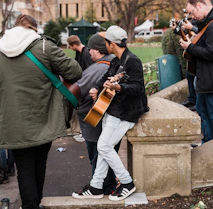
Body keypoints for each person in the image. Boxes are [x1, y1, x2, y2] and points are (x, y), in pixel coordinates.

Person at [0, 14, 82, 209]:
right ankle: (35, 203)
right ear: (34, 29)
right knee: (40, 162)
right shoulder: (44, 46)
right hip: (44, 115)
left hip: (13, 119)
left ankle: (30, 205)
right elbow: (75, 72)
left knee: (24, 167)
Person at [72, 25, 149, 201]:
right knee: (104, 147)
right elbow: (105, 77)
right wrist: (95, 88)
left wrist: (119, 87)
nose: (104, 45)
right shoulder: (117, 60)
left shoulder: (132, 61)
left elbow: (138, 88)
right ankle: (96, 186)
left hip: (126, 112)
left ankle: (127, 182)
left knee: (103, 147)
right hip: (113, 109)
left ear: (111, 44)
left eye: (106, 42)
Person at [76, 31, 120, 194]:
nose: (89, 52)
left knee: (97, 156)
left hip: (94, 119)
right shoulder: (117, 63)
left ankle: (99, 187)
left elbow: (77, 91)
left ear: (98, 50)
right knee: (109, 153)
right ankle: (107, 186)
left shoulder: (96, 68)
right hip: (112, 119)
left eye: (92, 49)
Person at [179, 0, 213, 143]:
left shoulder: (211, 25)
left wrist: (190, 47)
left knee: (210, 114)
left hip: (210, 81)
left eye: (192, 13)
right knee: (203, 113)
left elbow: (211, 53)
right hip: (203, 80)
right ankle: (206, 142)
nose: (192, 17)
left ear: (199, 5)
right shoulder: (205, 23)